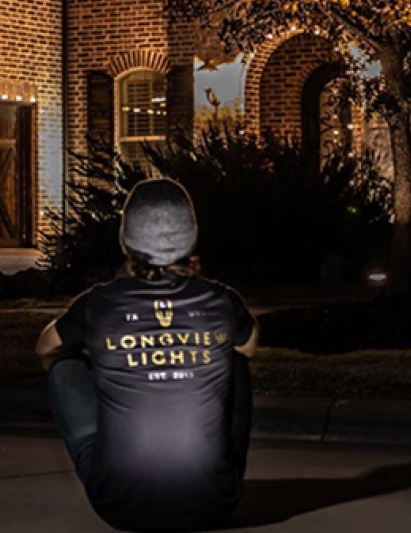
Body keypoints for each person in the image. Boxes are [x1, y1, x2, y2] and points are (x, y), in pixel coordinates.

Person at [36, 178, 258, 531]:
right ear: (192, 236)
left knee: (64, 366)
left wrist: (105, 370)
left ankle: (122, 456)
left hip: (120, 507)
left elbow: (47, 346)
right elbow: (248, 343)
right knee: (236, 362)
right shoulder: (222, 300)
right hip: (214, 505)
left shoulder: (99, 303)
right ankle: (206, 474)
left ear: (125, 239)